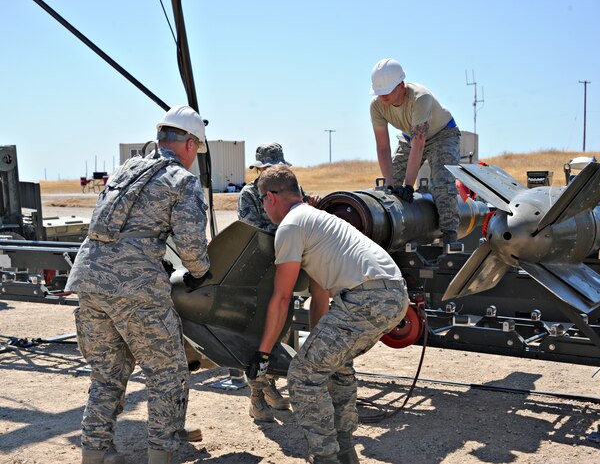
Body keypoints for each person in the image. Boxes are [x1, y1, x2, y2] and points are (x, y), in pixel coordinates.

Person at [66, 105, 211, 464]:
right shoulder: (181, 180)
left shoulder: (126, 169)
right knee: (167, 372)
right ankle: (160, 454)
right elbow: (192, 245)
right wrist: (200, 273)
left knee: (107, 374)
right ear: (190, 144)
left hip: (89, 280)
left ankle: (95, 453)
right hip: (136, 288)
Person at [246, 165, 409, 464]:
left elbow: (281, 298)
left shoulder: (291, 226)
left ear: (270, 197)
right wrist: (315, 346)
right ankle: (345, 452)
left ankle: (325, 457)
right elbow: (319, 295)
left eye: (262, 201)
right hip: (393, 294)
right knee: (335, 367)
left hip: (365, 298)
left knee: (303, 375)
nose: (263, 208)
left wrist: (263, 353)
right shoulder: (317, 220)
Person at [369, 57, 462, 251]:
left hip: (442, 135)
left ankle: (449, 238)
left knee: (443, 185)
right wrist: (391, 184)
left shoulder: (421, 98)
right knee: (388, 188)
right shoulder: (376, 106)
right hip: (410, 136)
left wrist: (409, 186)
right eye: (380, 93)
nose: (383, 98)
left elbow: (419, 143)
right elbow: (383, 147)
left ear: (401, 86)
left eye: (387, 92)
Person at [237, 142, 294, 422]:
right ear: (258, 169)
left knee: (279, 334)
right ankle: (256, 399)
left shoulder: (288, 188)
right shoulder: (249, 194)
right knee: (258, 337)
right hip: (257, 275)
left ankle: (268, 386)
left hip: (283, 269)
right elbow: (252, 231)